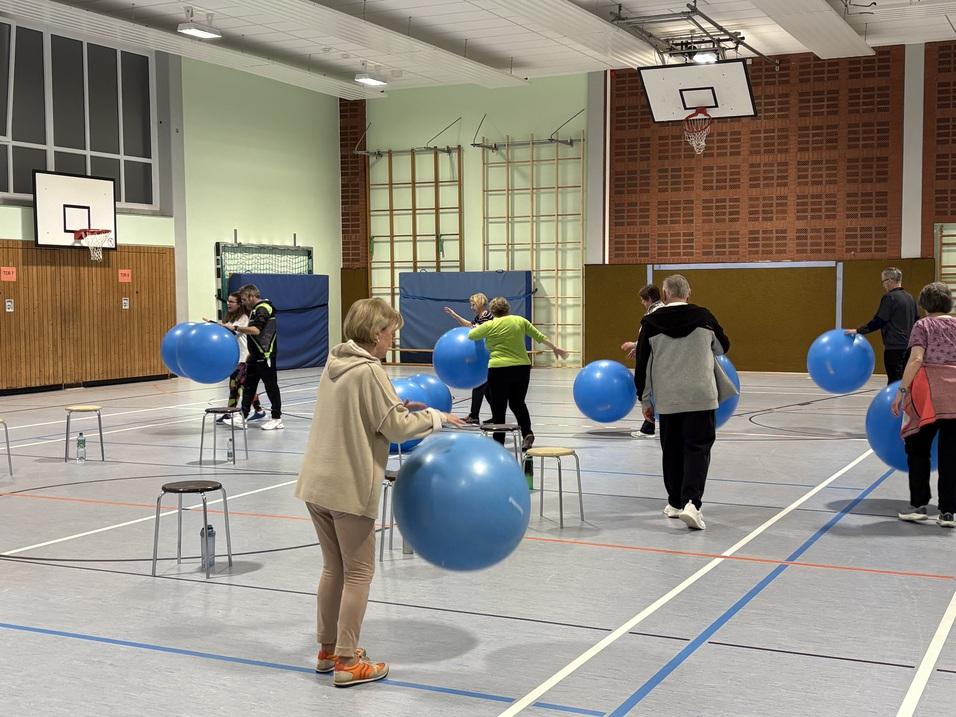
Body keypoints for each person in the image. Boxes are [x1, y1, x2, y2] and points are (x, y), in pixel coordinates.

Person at [295, 298, 465, 687]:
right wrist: (436, 417)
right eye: (390, 333)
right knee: (359, 572)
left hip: (317, 483)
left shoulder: (336, 361)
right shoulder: (370, 370)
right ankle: (347, 661)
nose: (392, 340)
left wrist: (396, 406)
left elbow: (363, 411)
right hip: (347, 485)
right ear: (376, 334)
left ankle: (327, 650)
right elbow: (397, 429)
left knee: (333, 568)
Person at [635, 274, 734, 530]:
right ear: (688, 294)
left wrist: (645, 400)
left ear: (665, 295)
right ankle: (692, 504)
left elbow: (643, 365)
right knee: (697, 450)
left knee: (672, 450)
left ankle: (675, 503)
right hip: (701, 396)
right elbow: (722, 347)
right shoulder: (704, 317)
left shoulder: (650, 322)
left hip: (668, 399)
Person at [891, 282, 956, 528]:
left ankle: (918, 505)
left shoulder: (923, 325)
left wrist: (901, 391)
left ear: (925, 304)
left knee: (917, 447)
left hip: (929, 395)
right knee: (951, 454)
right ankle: (948, 512)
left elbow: (916, 359)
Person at [467, 297, 568, 451]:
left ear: (493, 311)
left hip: (499, 368)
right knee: (517, 403)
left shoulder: (490, 325)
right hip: (522, 368)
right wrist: (555, 347)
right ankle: (527, 433)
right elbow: (539, 336)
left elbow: (471, 335)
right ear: (507, 309)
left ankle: (499, 443)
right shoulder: (520, 321)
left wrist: (476, 327)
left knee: (499, 406)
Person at [223, 284, 284, 430]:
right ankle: (243, 416)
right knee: (249, 387)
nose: (243, 303)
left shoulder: (263, 309)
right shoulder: (255, 310)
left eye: (244, 300)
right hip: (254, 356)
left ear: (251, 297)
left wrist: (235, 328)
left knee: (271, 386)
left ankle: (276, 418)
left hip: (265, 354)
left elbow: (256, 330)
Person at [846, 267, 917, 384]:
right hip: (909, 347)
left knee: (894, 381)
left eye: (883, 281)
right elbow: (916, 321)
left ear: (890, 281)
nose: (883, 285)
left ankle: (894, 397)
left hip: (894, 348)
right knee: (906, 381)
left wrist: (858, 331)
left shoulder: (889, 297)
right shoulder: (910, 298)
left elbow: (879, 321)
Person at [205, 292, 265, 423]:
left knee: (236, 386)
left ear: (239, 304)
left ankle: (231, 413)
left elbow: (231, 331)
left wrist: (215, 324)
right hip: (235, 358)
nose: (228, 304)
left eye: (232, 302)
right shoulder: (231, 318)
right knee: (241, 387)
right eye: (228, 301)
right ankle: (259, 411)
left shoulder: (243, 318)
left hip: (243, 358)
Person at [443, 292, 493, 424]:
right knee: (487, 389)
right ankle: (495, 415)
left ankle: (474, 416)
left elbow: (482, 330)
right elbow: (470, 325)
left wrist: (477, 327)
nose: (471, 307)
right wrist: (454, 315)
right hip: (484, 356)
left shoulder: (487, 316)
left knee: (479, 386)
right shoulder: (479, 317)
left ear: (479, 303)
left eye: (473, 304)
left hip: (488, 355)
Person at [621, 284, 663, 438]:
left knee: (645, 391)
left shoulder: (656, 314)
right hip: (652, 357)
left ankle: (648, 427)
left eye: (643, 300)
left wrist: (635, 345)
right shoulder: (656, 312)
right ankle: (649, 425)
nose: (642, 303)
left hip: (652, 362)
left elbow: (655, 337)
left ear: (649, 299)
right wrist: (639, 348)